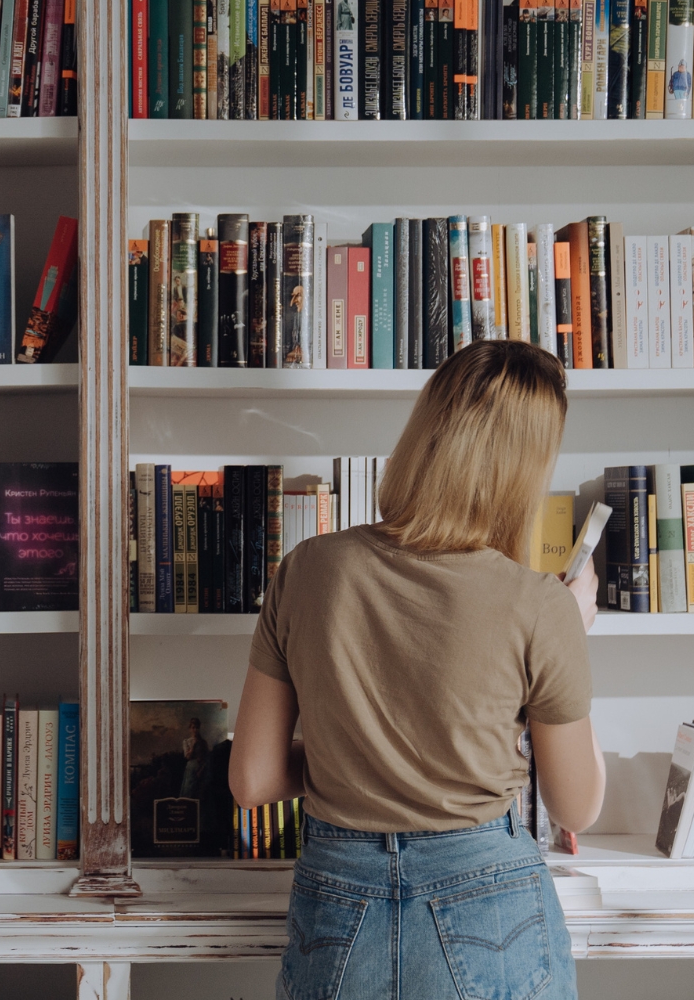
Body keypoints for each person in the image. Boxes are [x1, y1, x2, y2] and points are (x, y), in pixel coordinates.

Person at [231, 339, 603, 1000]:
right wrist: (571, 631)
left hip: (336, 899)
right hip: (490, 899)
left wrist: (359, 755)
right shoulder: (541, 604)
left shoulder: (308, 569)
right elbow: (579, 804)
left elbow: (254, 780)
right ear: (525, 469)